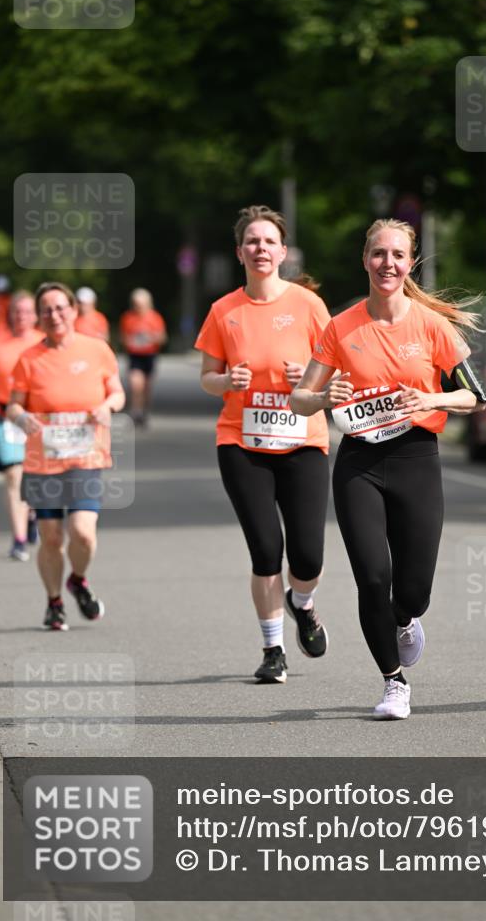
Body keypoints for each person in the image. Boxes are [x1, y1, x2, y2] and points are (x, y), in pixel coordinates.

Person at [291, 219, 486, 719]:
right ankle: (393, 682)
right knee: (372, 579)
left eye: (398, 255)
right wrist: (323, 396)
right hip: (359, 463)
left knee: (414, 591)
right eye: (379, 254)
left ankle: (404, 619)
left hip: (416, 459)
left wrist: (431, 397)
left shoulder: (431, 325)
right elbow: (298, 400)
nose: (388, 263)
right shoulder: (341, 327)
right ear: (365, 260)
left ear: (410, 263)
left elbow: (476, 395)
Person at [196, 205, 331, 684]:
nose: (260, 248)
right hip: (241, 442)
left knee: (308, 557)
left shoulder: (309, 306)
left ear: (283, 251)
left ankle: (303, 603)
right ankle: (273, 649)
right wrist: (225, 380)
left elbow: (336, 370)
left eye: (269, 241)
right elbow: (207, 377)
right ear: (239, 252)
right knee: (266, 549)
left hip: (303, 440)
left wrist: (306, 378)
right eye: (252, 241)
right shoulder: (224, 311)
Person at [6, 282, 125, 630]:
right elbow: (13, 404)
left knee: (83, 532)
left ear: (73, 310)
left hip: (86, 457)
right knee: (51, 536)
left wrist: (107, 407)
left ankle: (78, 579)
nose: (54, 315)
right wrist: (20, 417)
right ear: (39, 317)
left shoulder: (97, 350)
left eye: (60, 308)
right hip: (43, 460)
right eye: (46, 310)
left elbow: (117, 393)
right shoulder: (28, 358)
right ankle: (54, 601)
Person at [0, 291, 44, 559]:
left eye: (27, 311)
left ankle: (31, 514)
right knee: (13, 474)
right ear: (10, 315)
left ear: (36, 315)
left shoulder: (44, 343)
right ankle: (18, 539)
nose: (22, 316)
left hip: (36, 419)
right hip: (3, 416)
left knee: (35, 475)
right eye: (17, 312)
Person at [119, 288, 166, 425]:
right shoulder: (128, 317)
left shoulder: (155, 317)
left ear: (148, 303)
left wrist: (151, 338)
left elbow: (162, 338)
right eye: (135, 304)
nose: (138, 307)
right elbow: (123, 338)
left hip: (149, 355)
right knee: (135, 384)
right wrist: (130, 341)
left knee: (146, 386)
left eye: (140, 304)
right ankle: (136, 411)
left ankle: (145, 410)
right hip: (134, 355)